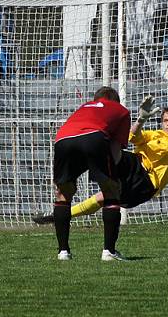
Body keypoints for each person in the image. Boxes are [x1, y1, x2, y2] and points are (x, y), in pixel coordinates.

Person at [34, 99, 168, 225]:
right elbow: (130, 137)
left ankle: (64, 205)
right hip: (133, 167)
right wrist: (141, 119)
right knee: (107, 173)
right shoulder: (152, 135)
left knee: (104, 196)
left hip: (146, 184)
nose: (167, 124)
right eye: (165, 120)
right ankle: (60, 212)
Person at [49, 86, 130, 262]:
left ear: (96, 99)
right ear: (115, 100)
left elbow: (76, 133)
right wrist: (111, 177)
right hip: (94, 137)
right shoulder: (121, 110)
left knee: (63, 193)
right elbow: (115, 148)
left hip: (62, 139)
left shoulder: (85, 106)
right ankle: (109, 251)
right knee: (111, 192)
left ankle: (63, 252)